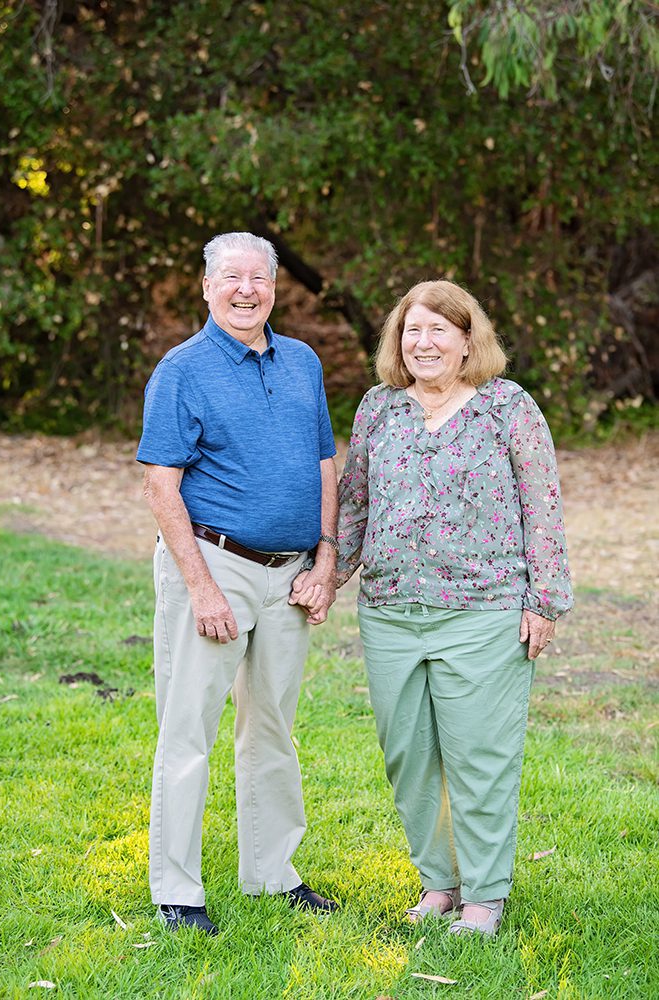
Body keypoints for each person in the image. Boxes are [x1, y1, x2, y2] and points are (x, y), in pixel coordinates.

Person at [336, 279, 572, 937]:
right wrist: (327, 575)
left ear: (468, 339)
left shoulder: (506, 407)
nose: (423, 342)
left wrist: (545, 600)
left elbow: (541, 504)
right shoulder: (379, 409)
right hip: (389, 611)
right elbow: (354, 502)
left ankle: (484, 897)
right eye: (412, 330)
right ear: (396, 342)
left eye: (439, 329)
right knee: (407, 756)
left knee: (479, 757)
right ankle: (438, 883)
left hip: (484, 612)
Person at [137, 232, 339, 936]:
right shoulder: (182, 369)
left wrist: (325, 558)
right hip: (213, 562)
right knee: (189, 728)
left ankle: (272, 874)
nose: (245, 289)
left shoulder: (302, 362)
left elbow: (322, 463)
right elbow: (161, 486)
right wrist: (202, 588)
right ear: (206, 287)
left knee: (273, 728)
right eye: (231, 277)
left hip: (289, 575)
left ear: (275, 288)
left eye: (258, 277)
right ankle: (177, 890)